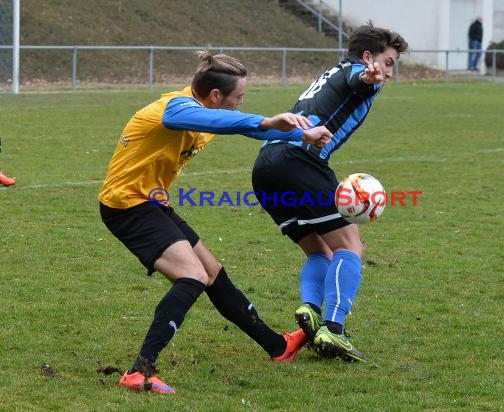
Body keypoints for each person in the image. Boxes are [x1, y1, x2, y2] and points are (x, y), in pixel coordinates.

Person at [98, 50, 332, 394]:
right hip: (126, 206)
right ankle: (140, 371)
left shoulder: (203, 108)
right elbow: (229, 123)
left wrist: (299, 134)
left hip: (151, 201)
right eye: (237, 98)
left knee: (213, 273)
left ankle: (278, 347)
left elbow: (237, 126)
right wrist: (267, 121)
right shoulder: (175, 109)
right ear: (215, 96)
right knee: (192, 277)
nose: (240, 103)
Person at [251, 23, 408, 362]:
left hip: (267, 166)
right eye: (389, 62)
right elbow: (360, 81)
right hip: (300, 162)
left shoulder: (332, 71)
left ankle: (310, 310)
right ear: (369, 57)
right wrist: (369, 77)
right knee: (350, 245)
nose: (390, 71)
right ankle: (333, 330)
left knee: (320, 250)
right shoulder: (358, 73)